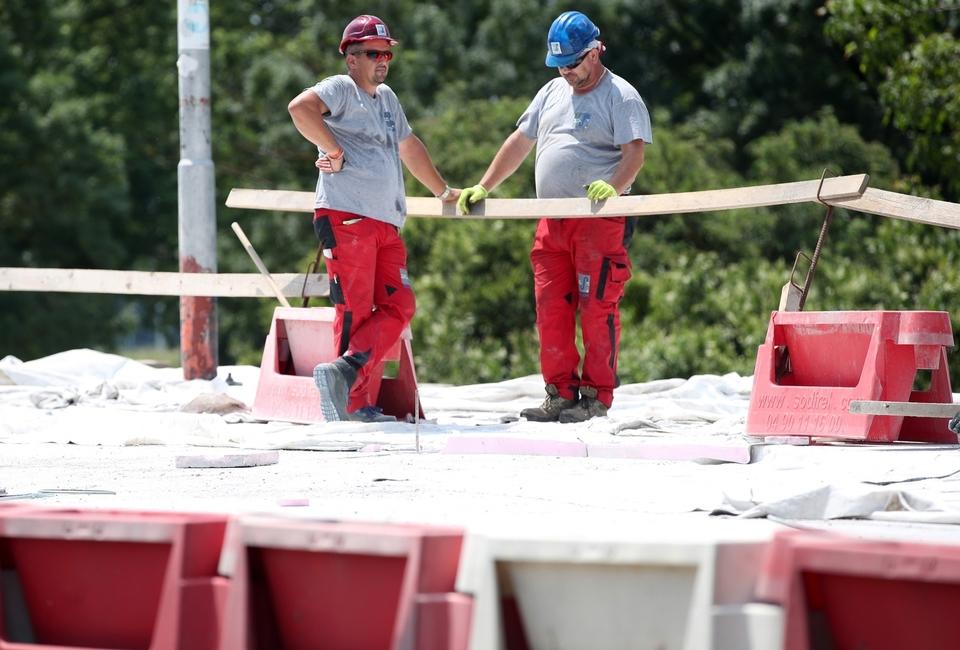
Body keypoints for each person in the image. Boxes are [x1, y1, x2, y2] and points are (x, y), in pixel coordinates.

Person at [458, 11, 652, 423]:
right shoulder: (550, 92)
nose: (568, 73)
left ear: (596, 51)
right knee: (551, 309)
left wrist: (614, 187)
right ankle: (560, 393)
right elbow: (519, 142)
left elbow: (635, 153)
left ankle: (596, 398)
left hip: (598, 222)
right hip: (552, 221)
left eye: (574, 63)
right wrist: (484, 185)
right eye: (561, 65)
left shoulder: (621, 95)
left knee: (597, 308)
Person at [288, 14, 459, 423]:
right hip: (347, 217)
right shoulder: (341, 88)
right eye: (372, 53)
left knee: (399, 305)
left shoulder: (388, 99)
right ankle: (353, 404)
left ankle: (345, 374)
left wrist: (442, 190)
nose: (382, 60)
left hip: (384, 222)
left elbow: (409, 146)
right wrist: (332, 149)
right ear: (351, 58)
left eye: (387, 53)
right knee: (355, 312)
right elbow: (300, 108)